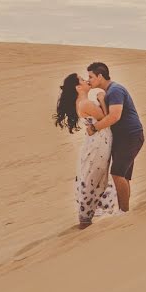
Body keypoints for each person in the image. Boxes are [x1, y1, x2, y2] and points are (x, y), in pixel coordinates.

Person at [53, 73, 119, 229]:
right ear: (78, 87)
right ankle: (86, 219)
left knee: (93, 177)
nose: (86, 80)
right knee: (93, 178)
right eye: (83, 80)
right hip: (98, 144)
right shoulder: (85, 103)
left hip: (97, 142)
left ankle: (87, 217)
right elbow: (105, 117)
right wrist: (102, 99)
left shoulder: (81, 102)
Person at [85, 62, 145, 213]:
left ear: (100, 76)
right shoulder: (110, 92)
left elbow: (115, 116)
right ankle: (124, 210)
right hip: (123, 137)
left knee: (117, 174)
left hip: (130, 136)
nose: (88, 80)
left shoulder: (115, 90)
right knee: (123, 175)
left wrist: (94, 128)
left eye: (91, 76)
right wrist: (102, 100)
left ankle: (124, 213)